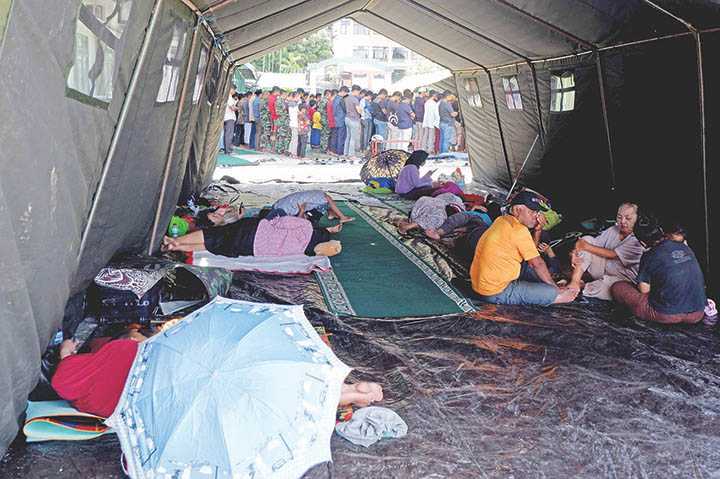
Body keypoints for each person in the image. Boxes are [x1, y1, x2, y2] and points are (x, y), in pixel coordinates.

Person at [52, 327, 383, 417]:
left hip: (188, 397)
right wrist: (70, 348)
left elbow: (64, 379)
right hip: (196, 374)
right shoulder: (124, 351)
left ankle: (348, 395)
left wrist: (67, 352)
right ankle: (347, 392)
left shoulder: (98, 404)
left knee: (274, 401)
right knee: (269, 382)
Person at [470, 191, 579, 305]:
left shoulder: (502, 220)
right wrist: (555, 289)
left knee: (531, 268)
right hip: (494, 293)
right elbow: (537, 263)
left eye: (537, 212)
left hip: (480, 285)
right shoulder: (519, 231)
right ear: (517, 210)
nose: (536, 216)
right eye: (532, 211)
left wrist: (538, 230)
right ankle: (556, 297)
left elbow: (531, 251)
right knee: (551, 292)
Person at [611, 219, 707, 324]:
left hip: (667, 315)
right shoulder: (685, 247)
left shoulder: (649, 255)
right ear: (661, 231)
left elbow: (644, 291)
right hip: (698, 313)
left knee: (618, 287)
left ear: (642, 242)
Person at [163, 214, 344, 258]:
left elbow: (280, 222)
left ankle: (175, 241)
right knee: (215, 245)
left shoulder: (305, 227)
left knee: (215, 234)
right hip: (252, 249)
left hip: (255, 231)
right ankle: (176, 246)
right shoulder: (302, 253)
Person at [567, 202, 645, 300]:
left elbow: (612, 254)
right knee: (587, 238)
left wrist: (583, 246)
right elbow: (590, 244)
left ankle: (582, 286)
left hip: (622, 279)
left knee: (601, 289)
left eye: (628, 218)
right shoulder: (614, 229)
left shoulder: (638, 238)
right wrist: (574, 252)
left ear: (637, 219)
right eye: (619, 217)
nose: (622, 221)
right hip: (603, 269)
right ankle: (575, 281)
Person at [395, 150, 463, 200]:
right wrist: (431, 183)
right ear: (420, 159)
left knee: (429, 188)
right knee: (432, 189)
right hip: (406, 194)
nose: (425, 162)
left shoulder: (409, 166)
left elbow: (416, 182)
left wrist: (427, 175)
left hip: (404, 192)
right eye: (424, 160)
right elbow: (417, 185)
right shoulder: (412, 168)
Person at [267, 190, 354, 224]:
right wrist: (302, 212)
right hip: (283, 209)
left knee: (326, 203)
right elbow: (298, 222)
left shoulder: (318, 196)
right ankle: (333, 214)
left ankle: (332, 214)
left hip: (281, 207)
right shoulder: (283, 210)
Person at [344, 85, 363, 157]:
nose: (359, 93)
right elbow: (358, 110)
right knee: (353, 138)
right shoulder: (355, 99)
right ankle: (351, 155)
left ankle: (346, 153)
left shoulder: (347, 98)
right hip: (354, 120)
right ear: (355, 91)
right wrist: (361, 111)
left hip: (347, 118)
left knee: (348, 137)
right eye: (359, 92)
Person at [223, 84, 238, 154]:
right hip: (229, 118)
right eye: (234, 89)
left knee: (227, 134)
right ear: (231, 89)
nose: (234, 91)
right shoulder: (229, 97)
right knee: (229, 134)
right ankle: (228, 150)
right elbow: (232, 108)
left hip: (226, 117)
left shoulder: (226, 96)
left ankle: (227, 149)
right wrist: (237, 108)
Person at [333, 86, 348, 156]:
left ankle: (335, 151)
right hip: (341, 120)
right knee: (341, 136)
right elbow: (345, 109)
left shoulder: (335, 98)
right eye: (345, 93)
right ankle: (340, 151)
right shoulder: (341, 99)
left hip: (335, 120)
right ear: (342, 91)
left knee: (336, 136)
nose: (345, 95)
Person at [287, 92, 300, 157]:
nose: (299, 98)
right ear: (295, 97)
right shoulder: (294, 105)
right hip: (295, 124)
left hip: (292, 123)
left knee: (293, 138)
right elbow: (298, 114)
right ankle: (293, 153)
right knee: (295, 139)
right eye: (298, 97)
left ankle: (290, 151)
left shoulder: (290, 104)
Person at [326, 90, 337, 154]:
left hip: (330, 121)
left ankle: (329, 150)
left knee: (330, 137)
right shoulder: (332, 103)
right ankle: (332, 150)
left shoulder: (329, 102)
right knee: (333, 137)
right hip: (332, 122)